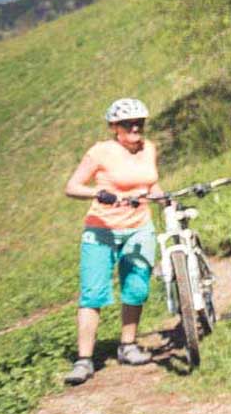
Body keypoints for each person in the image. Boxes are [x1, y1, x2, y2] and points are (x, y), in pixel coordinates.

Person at [61, 98, 164, 385]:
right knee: (93, 292)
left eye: (139, 123)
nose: (135, 128)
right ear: (114, 127)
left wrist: (165, 199)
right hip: (101, 230)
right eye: (127, 124)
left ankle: (128, 346)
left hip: (139, 227)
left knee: (136, 287)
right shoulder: (100, 152)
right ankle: (84, 361)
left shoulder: (149, 149)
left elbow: (150, 183)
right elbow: (72, 187)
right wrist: (98, 194)